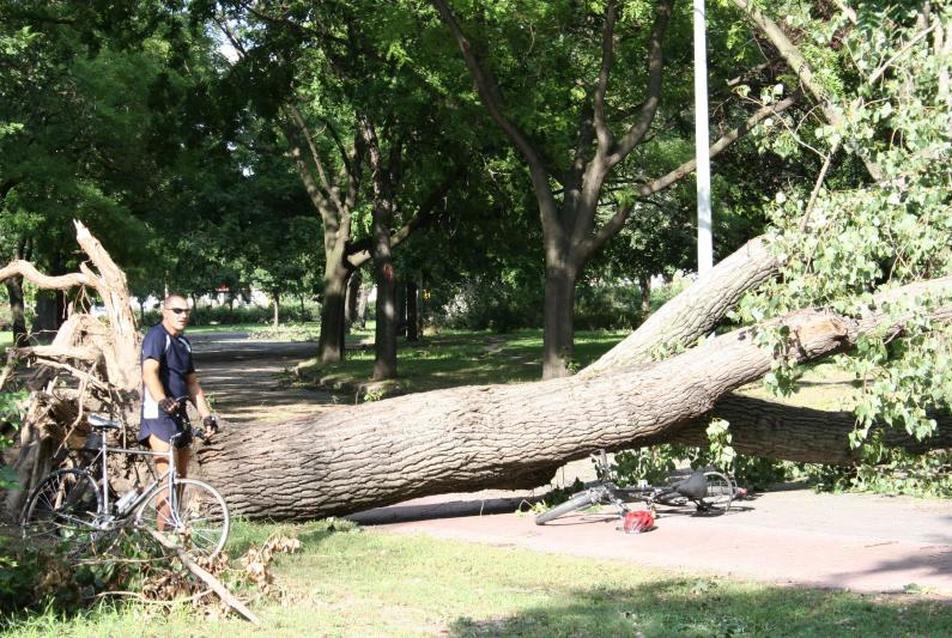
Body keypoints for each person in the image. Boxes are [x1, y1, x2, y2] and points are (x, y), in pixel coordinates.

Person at [139, 294, 218, 490]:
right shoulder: (156, 336)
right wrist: (162, 400)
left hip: (178, 414)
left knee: (181, 480)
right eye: (177, 311)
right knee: (168, 480)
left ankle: (176, 522)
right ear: (164, 312)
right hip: (158, 414)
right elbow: (149, 372)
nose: (183, 315)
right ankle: (163, 522)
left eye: (186, 311)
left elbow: (192, 384)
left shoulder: (184, 343)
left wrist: (206, 416)